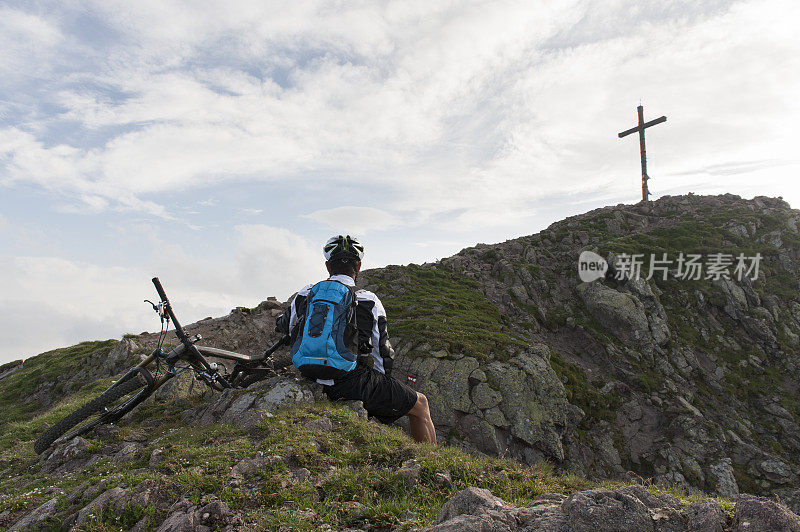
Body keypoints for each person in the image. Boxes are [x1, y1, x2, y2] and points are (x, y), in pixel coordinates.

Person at [279, 235, 436, 444]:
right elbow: (383, 352)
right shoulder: (368, 299)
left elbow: (285, 329)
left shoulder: (306, 293)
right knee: (421, 404)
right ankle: (431, 461)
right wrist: (381, 383)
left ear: (327, 266)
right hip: (351, 382)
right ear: (359, 266)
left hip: (309, 376)